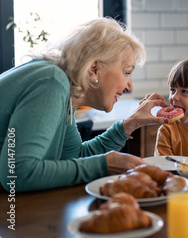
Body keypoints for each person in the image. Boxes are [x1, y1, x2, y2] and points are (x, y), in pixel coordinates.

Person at [0, 18, 172, 192]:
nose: (130, 86)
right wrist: (104, 165)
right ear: (94, 69)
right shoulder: (51, 83)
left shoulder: (65, 93)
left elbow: (75, 158)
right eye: (126, 72)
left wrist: (130, 123)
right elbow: (17, 173)